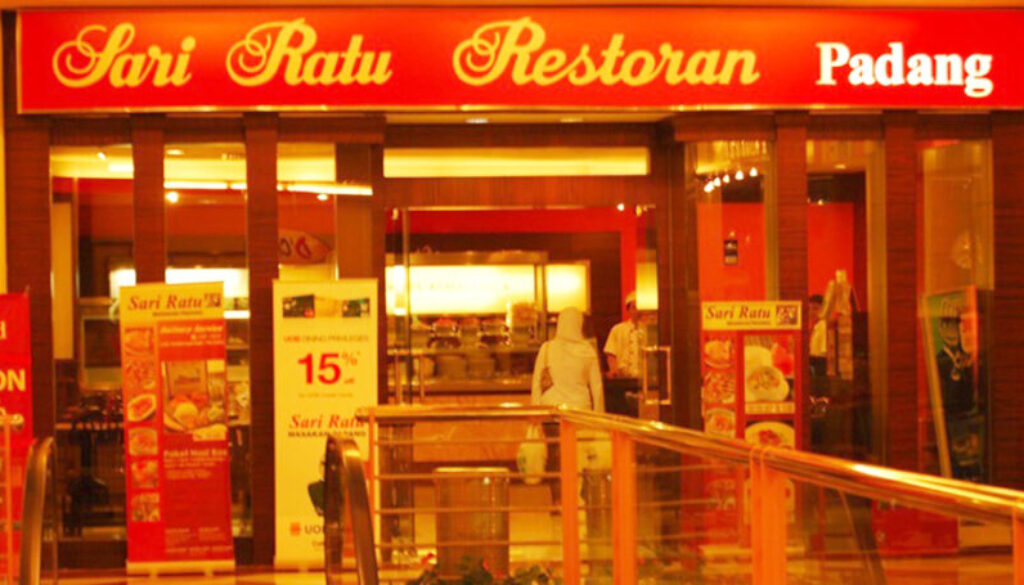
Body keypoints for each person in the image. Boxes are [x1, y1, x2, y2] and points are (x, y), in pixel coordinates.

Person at [531, 307, 603, 507]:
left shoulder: (547, 348)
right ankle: (579, 497)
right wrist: (599, 416)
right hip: (580, 412)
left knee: (556, 457)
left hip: (552, 412)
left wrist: (535, 411)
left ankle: (558, 500)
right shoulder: (587, 351)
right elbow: (596, 387)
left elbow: (537, 382)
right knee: (581, 456)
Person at [602, 292, 646, 416]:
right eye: (634, 307)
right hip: (624, 381)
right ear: (628, 310)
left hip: (643, 381)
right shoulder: (618, 329)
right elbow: (611, 353)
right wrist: (614, 370)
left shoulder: (648, 329)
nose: (637, 311)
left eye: (639, 307)